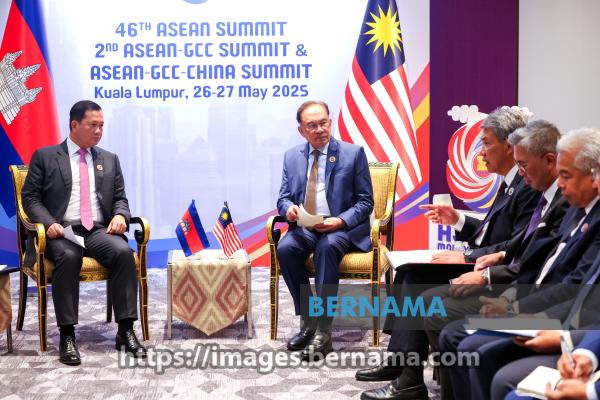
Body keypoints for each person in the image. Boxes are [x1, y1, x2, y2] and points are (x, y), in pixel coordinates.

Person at [22, 100, 146, 365]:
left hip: (98, 230)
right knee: (69, 257)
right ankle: (67, 335)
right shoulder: (45, 156)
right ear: (74, 125)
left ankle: (125, 330)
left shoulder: (109, 159)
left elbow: (120, 198)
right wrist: (48, 223)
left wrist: (120, 215)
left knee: (124, 253)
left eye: (101, 125)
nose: (98, 131)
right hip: (61, 231)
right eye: (93, 125)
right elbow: (30, 198)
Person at [276, 100, 374, 361]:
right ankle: (309, 321)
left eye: (323, 123)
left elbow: (366, 202)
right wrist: (288, 210)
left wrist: (340, 221)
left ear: (330, 122)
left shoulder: (353, 153)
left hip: (339, 227)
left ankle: (324, 331)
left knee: (327, 247)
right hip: (306, 225)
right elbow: (283, 198)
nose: (320, 129)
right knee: (285, 248)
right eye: (312, 125)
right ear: (301, 131)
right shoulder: (291, 157)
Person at [422, 107, 539, 264]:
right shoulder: (509, 183)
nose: (481, 153)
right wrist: (457, 219)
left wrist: (467, 256)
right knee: (406, 270)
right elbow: (491, 234)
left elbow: (516, 246)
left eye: (486, 144)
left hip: (489, 270)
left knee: (411, 274)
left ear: (509, 146)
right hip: (479, 263)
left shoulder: (529, 186)